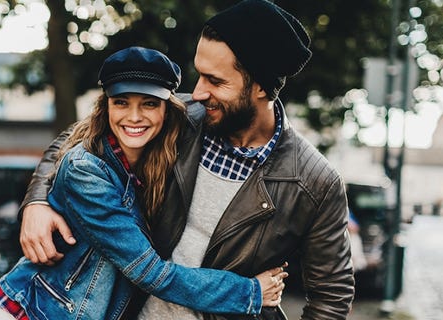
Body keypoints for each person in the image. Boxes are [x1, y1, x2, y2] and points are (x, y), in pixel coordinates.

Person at [18, 1, 355, 319]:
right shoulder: (178, 116)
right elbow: (80, 138)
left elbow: (331, 295)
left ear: (262, 88)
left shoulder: (314, 182)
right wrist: (36, 203)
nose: (197, 92)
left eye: (216, 81)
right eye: (200, 74)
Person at [0, 46, 288, 320]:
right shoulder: (86, 171)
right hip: (40, 311)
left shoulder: (160, 151)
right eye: (121, 102)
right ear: (106, 107)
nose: (134, 117)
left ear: (166, 109)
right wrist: (249, 293)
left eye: (148, 103)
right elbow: (149, 272)